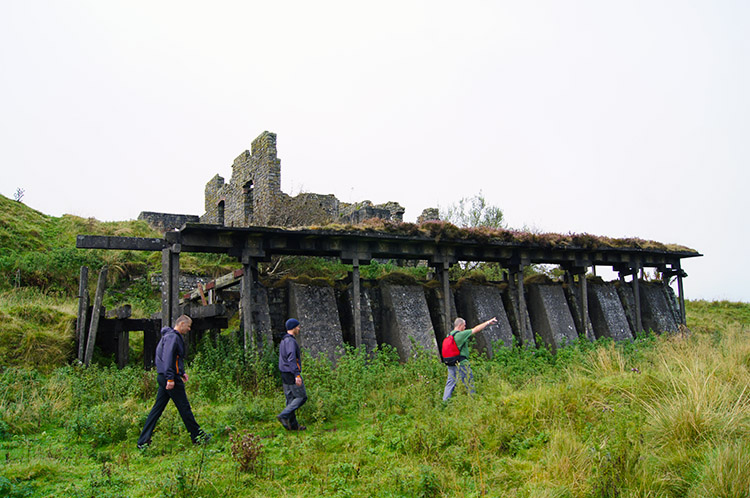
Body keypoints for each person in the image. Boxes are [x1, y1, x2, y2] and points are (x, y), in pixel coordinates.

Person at [137, 315, 209, 449]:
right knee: (184, 408)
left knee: (157, 409)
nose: (189, 329)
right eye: (188, 326)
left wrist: (181, 372)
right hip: (169, 378)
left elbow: (174, 359)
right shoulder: (173, 337)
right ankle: (198, 437)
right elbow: (168, 358)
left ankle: (143, 441)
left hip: (164, 376)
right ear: (181, 324)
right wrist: (171, 378)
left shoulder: (168, 336)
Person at [442, 316, 498, 401]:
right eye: (464, 326)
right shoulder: (461, 334)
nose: (465, 328)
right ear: (460, 325)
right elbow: (476, 329)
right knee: (468, 383)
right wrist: (488, 322)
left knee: (450, 384)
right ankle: (472, 401)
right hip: (462, 364)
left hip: (451, 363)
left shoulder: (449, 335)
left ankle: (445, 402)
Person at [277, 318, 308, 431]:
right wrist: (297, 375)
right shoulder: (290, 341)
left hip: (284, 373)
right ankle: (283, 415)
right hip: (291, 373)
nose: (299, 328)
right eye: (298, 327)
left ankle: (293, 426)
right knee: (301, 397)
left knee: (290, 399)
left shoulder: (284, 340)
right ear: (293, 328)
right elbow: (291, 359)